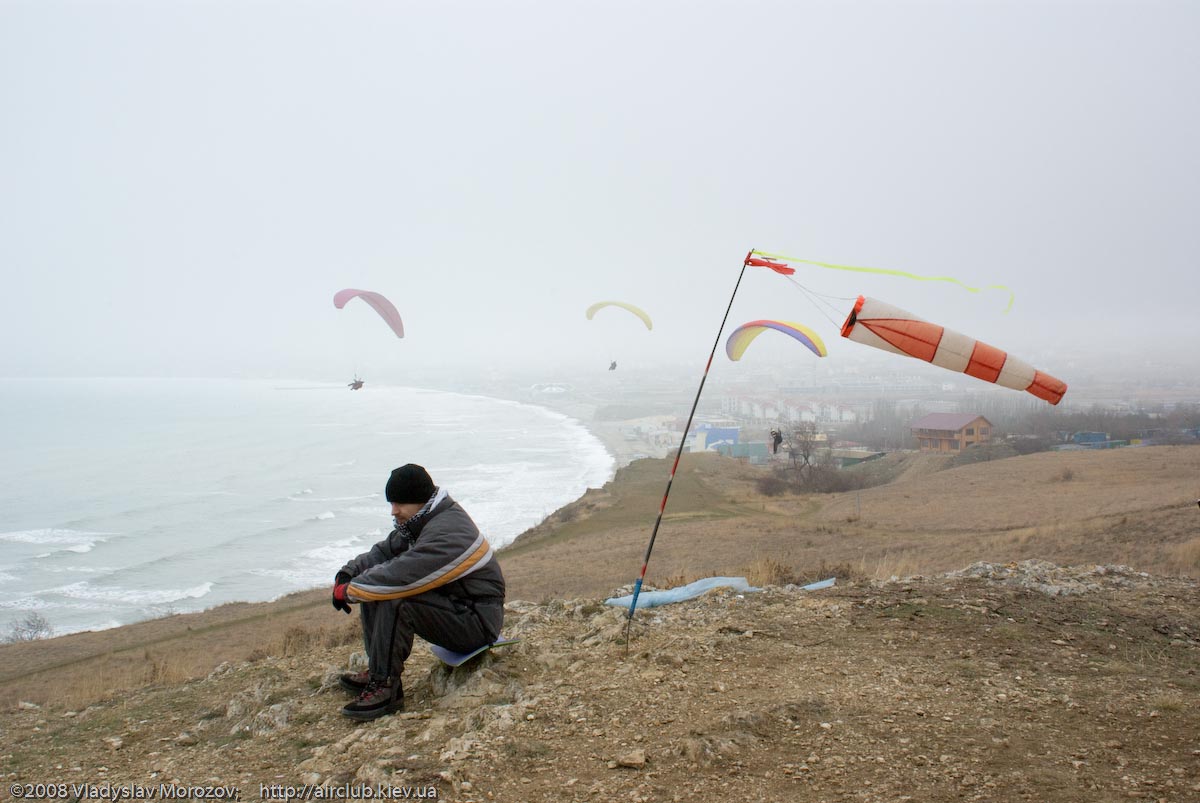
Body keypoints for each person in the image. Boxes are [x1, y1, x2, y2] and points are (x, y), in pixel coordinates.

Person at [331, 464, 505, 720]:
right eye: (392, 503)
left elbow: (401, 576)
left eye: (399, 503)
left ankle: (386, 687)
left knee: (395, 596)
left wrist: (350, 591)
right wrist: (348, 574)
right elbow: (384, 553)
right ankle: (378, 669)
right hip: (456, 606)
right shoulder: (424, 520)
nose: (394, 511)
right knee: (375, 586)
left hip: (477, 622)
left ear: (419, 500)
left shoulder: (447, 532)